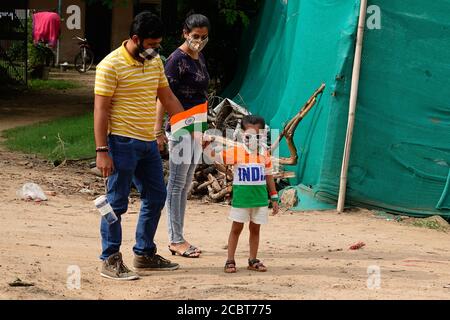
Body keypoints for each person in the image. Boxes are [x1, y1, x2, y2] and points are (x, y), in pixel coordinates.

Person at [94, 12, 185, 280]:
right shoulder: (109, 66)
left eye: (158, 45)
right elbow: (100, 110)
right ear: (136, 39)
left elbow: (166, 97)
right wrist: (102, 151)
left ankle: (144, 254)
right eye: (152, 45)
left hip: (147, 143)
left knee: (157, 196)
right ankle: (109, 258)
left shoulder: (155, 61)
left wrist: (189, 128)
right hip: (120, 143)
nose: (156, 50)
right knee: (115, 203)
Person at [155, 14, 210, 258]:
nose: (199, 40)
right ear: (184, 33)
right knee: (176, 184)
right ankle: (175, 239)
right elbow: (163, 96)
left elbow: (200, 94)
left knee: (186, 183)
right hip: (179, 127)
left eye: (203, 37)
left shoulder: (198, 58)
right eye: (195, 36)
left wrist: (202, 130)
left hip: (196, 128)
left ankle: (180, 235)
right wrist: (157, 129)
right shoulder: (176, 60)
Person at [210, 115, 279, 273]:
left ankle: (252, 260)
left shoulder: (264, 155)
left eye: (257, 135)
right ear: (242, 134)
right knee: (236, 229)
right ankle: (230, 260)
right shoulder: (236, 152)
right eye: (248, 135)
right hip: (241, 201)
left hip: (260, 200)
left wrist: (274, 197)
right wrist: (207, 145)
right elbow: (214, 157)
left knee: (255, 230)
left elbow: (269, 176)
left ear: (263, 135)